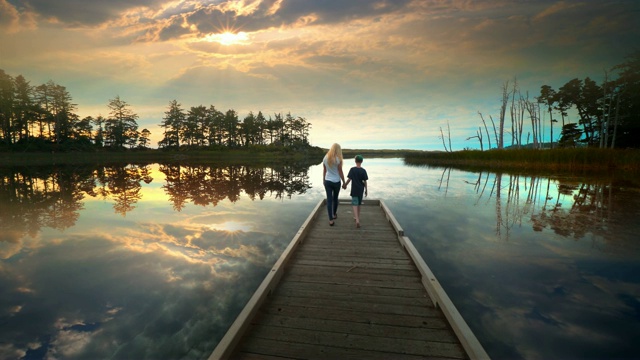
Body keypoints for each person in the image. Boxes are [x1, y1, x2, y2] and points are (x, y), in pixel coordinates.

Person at [323, 143, 346, 226]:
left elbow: (324, 170)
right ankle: (334, 214)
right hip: (336, 181)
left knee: (329, 200)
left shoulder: (325, 157)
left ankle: (330, 220)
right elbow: (340, 171)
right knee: (335, 198)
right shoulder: (338, 159)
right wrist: (344, 182)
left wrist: (323, 180)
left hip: (327, 181)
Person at [343, 154, 368, 228]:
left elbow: (349, 179)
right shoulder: (363, 171)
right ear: (362, 161)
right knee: (359, 203)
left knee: (354, 203)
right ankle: (357, 217)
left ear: (355, 161)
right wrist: (366, 190)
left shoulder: (352, 169)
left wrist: (345, 185)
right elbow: (365, 181)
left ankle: (357, 219)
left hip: (354, 189)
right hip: (361, 189)